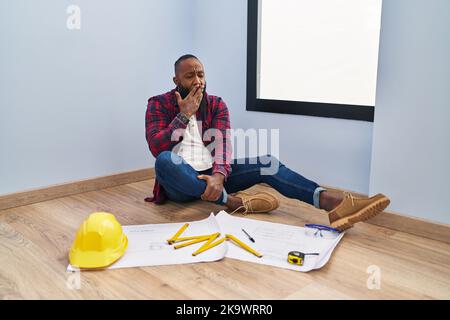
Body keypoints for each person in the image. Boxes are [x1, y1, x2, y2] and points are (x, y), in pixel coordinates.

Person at [145, 54, 390, 231]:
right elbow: (157, 147)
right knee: (165, 160)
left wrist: (219, 176)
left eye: (201, 74)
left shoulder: (217, 104)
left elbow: (223, 146)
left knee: (268, 162)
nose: (198, 80)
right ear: (176, 80)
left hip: (211, 175)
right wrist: (183, 115)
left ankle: (330, 202)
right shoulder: (158, 103)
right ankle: (231, 202)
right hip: (181, 183)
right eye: (190, 76)